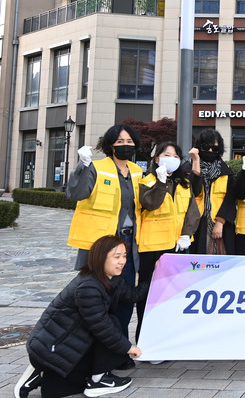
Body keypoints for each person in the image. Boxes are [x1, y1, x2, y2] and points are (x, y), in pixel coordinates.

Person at [14, 236, 146, 398]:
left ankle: (41, 373)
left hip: (70, 343)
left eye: (124, 256)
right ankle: (98, 380)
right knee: (111, 324)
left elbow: (134, 295)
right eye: (116, 256)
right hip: (52, 347)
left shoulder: (111, 279)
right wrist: (128, 348)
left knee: (59, 390)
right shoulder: (89, 286)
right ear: (100, 258)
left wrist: (158, 273)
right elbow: (102, 327)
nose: (122, 261)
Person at [66, 124, 144, 338]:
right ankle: (98, 347)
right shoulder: (96, 167)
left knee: (125, 294)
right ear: (111, 145)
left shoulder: (137, 171)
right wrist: (82, 166)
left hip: (130, 243)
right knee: (100, 295)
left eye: (129, 142)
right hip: (103, 243)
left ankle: (121, 344)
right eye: (120, 142)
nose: (125, 145)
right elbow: (75, 194)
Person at [136, 141, 200, 339]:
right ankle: (144, 339)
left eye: (176, 156)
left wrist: (186, 234)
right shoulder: (147, 181)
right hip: (152, 246)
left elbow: (193, 211)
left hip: (176, 246)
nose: (171, 159)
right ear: (157, 159)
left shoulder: (184, 183)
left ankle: (167, 338)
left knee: (173, 295)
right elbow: (150, 203)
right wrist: (161, 183)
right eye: (166, 155)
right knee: (149, 295)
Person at [190, 129, 237, 255]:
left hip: (220, 223)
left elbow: (230, 199)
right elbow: (193, 191)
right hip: (196, 223)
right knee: (197, 261)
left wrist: (220, 222)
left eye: (214, 148)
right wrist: (196, 162)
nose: (210, 151)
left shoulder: (226, 171)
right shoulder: (189, 169)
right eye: (206, 147)